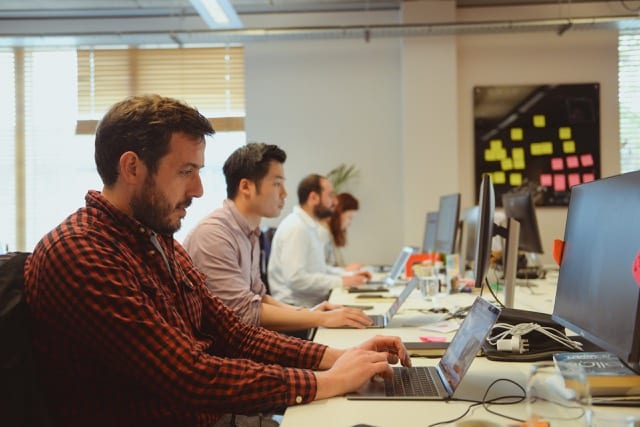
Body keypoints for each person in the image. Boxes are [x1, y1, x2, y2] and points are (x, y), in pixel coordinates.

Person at [22, 95, 411, 427]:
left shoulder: (156, 238)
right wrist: (325, 381)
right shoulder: (81, 252)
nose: (198, 189)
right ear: (132, 168)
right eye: (185, 172)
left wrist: (340, 357)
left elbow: (233, 332)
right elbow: (189, 375)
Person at [183, 143, 373, 331]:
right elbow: (244, 312)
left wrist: (308, 313)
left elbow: (258, 295)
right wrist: (317, 317)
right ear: (246, 187)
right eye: (276, 184)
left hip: (252, 334)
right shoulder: (214, 235)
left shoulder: (249, 232)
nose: (284, 193)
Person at [268, 174, 371, 308]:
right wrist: (341, 281)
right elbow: (296, 279)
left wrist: (347, 275)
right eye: (330, 196)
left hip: (309, 306)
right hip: (296, 309)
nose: (334, 202)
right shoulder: (296, 228)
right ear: (313, 198)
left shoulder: (309, 226)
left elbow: (319, 269)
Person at [323, 192, 365, 271]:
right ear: (338, 213)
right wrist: (346, 270)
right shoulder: (323, 233)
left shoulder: (331, 233)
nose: (350, 223)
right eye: (349, 217)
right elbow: (320, 271)